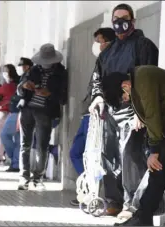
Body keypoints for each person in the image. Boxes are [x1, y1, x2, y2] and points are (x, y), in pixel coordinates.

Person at [88, 3, 159, 222]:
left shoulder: (143, 45)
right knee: (108, 155)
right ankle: (113, 201)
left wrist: (141, 111)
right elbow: (97, 78)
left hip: (133, 110)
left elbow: (148, 79)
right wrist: (98, 97)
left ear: (133, 20)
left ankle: (132, 204)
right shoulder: (108, 51)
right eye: (115, 19)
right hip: (109, 109)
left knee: (130, 155)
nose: (120, 23)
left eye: (124, 18)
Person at [101, 65, 165, 226]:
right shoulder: (138, 80)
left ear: (125, 86)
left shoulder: (143, 79)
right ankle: (142, 217)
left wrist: (155, 150)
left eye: (123, 97)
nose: (126, 100)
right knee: (157, 169)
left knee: (159, 167)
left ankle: (142, 218)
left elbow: (153, 115)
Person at [69, 28, 117, 210]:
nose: (96, 44)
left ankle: (95, 193)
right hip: (88, 115)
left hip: (99, 115)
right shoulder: (101, 61)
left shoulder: (112, 62)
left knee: (96, 156)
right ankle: (89, 188)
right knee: (77, 152)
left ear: (109, 43)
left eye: (99, 40)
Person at [17, 43, 68, 190]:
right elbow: (19, 89)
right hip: (27, 109)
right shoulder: (33, 70)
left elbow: (63, 97)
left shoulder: (61, 73)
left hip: (45, 111)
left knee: (42, 146)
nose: (45, 65)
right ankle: (23, 177)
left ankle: (38, 178)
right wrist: (24, 86)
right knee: (24, 145)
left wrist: (50, 94)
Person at [0, 64, 19, 165]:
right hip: (11, 113)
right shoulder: (15, 85)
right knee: (11, 137)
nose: (4, 74)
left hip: (1, 112)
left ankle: (0, 158)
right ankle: (8, 157)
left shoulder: (7, 86)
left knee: (0, 137)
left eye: (5, 71)